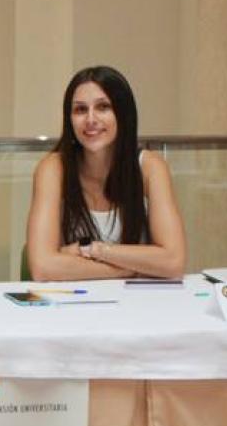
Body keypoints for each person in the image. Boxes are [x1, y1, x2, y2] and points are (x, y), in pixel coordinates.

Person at [24, 66, 186, 282]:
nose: (91, 119)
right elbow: (43, 267)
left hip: (137, 304)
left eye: (103, 107)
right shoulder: (53, 169)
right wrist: (131, 268)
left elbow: (173, 262)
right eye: (80, 110)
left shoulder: (150, 167)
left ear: (123, 113)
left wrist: (96, 250)